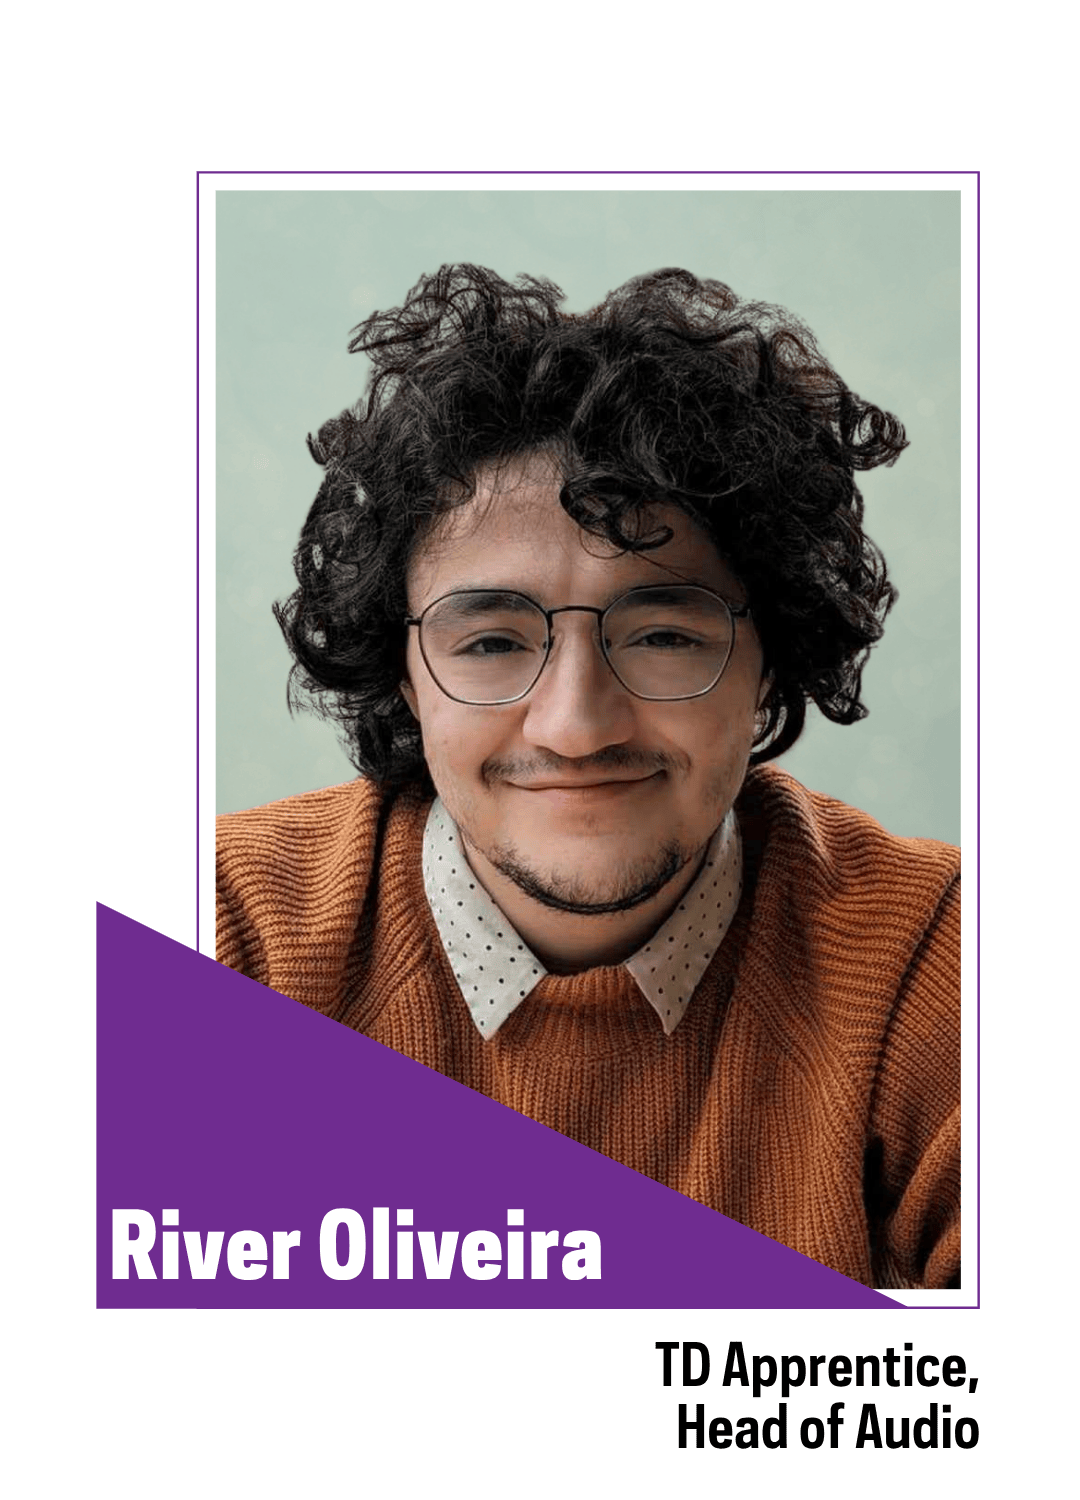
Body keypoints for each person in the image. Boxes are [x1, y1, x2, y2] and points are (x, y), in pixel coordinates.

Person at [215, 265, 961, 1291]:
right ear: (402, 673)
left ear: (771, 661)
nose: (574, 726)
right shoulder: (219, 942)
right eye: (488, 642)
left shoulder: (936, 961)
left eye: (660, 634)